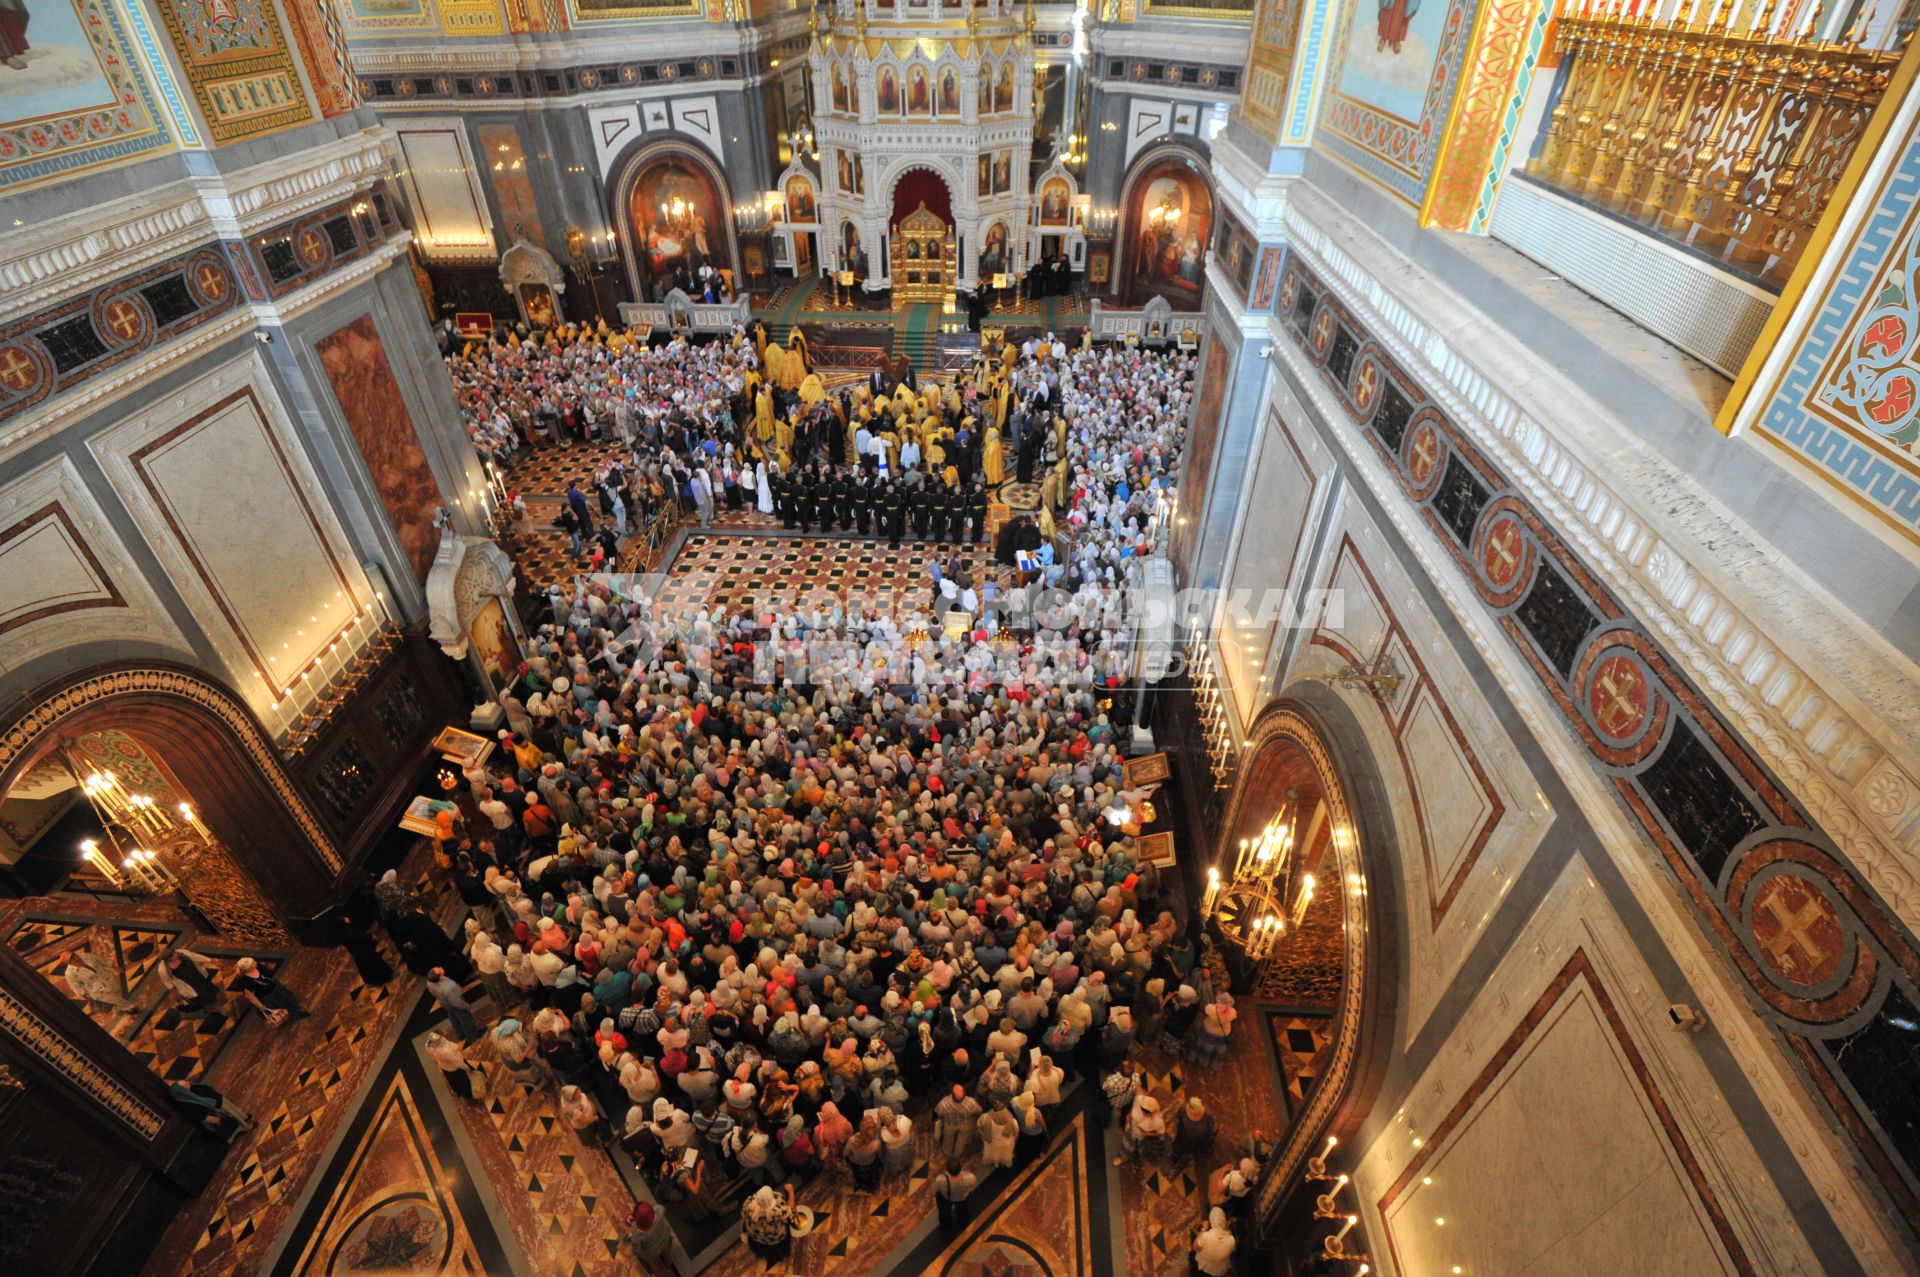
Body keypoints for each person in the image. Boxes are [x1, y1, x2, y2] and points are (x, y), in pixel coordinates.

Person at [167, 1080, 255, 1142]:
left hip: (220, 1103)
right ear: (183, 1092)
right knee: (231, 1121)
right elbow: (200, 1116)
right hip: (216, 1113)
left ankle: (242, 1118)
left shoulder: (192, 1088)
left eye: (185, 1081)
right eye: (185, 1084)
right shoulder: (187, 1104)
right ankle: (243, 1127)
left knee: (232, 1111)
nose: (188, 1082)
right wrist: (214, 1119)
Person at [230, 956, 309, 1024]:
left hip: (276, 987)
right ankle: (295, 1015)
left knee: (289, 998)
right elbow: (250, 996)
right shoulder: (245, 981)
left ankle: (295, 1011)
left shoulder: (258, 966)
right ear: (248, 968)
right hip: (268, 997)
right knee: (282, 1007)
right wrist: (261, 1006)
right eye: (253, 963)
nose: (255, 962)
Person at [741, 1183, 798, 1260]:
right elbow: (792, 1214)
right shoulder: (777, 1210)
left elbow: (743, 1216)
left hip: (757, 1237)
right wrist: (791, 1193)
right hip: (775, 1238)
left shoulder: (748, 1203)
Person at [157, 949, 222, 1015]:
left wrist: (211, 960)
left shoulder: (181, 953)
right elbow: (167, 982)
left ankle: (215, 998)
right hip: (190, 985)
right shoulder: (162, 969)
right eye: (173, 954)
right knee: (203, 997)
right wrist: (175, 993)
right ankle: (214, 1008)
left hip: (198, 976)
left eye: (174, 952)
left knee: (208, 987)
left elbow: (195, 956)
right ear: (169, 959)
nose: (176, 953)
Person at [425, 966, 482, 1042]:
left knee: (453, 1017)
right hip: (454, 1003)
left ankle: (460, 1035)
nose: (440, 967)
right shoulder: (449, 988)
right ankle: (472, 1037)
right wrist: (466, 1006)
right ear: (440, 976)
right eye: (439, 969)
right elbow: (456, 1002)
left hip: (444, 1003)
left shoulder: (429, 982)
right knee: (466, 1020)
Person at [425, 1030, 480, 1100]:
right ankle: (469, 1096)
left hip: (444, 1067)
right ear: (439, 1039)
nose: (444, 1035)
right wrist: (468, 1068)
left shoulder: (428, 1046)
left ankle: (458, 1092)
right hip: (455, 1068)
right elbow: (459, 1063)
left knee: (453, 1082)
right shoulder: (447, 1051)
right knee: (464, 1083)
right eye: (441, 1036)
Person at [932, 1157, 978, 1230]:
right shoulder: (970, 1177)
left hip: (947, 1198)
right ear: (960, 1167)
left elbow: (934, 1190)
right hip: (962, 1198)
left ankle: (946, 1224)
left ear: (947, 1169)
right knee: (962, 1211)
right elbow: (973, 1186)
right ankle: (962, 1223)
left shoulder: (941, 1179)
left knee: (945, 1213)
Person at [1192, 1206, 1237, 1276]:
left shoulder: (1206, 1236)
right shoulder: (1232, 1240)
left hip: (1206, 1265)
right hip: (1220, 1269)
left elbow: (1195, 1247)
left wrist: (1203, 1229)